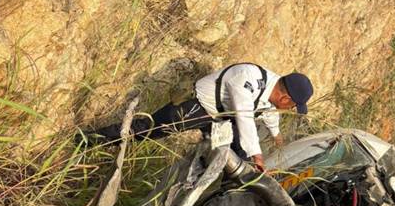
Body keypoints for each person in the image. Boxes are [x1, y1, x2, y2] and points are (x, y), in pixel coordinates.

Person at [90, 63, 313, 171]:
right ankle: (90, 140)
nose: (291, 109)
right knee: (146, 130)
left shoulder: (273, 93)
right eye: (293, 106)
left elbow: (269, 115)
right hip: (197, 106)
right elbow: (244, 117)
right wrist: (258, 156)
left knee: (238, 161)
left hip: (220, 119)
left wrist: (277, 137)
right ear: (285, 98)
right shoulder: (249, 79)